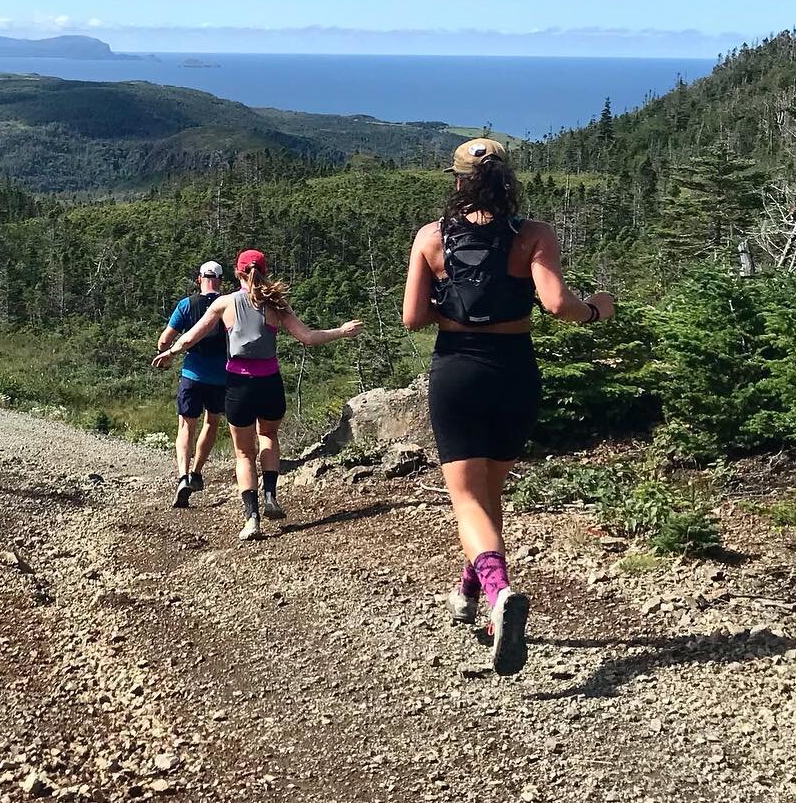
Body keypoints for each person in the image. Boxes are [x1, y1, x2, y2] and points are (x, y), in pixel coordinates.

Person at [403, 137, 616, 676]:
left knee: (466, 500)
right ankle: (471, 591)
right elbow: (557, 305)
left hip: (457, 369)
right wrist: (597, 309)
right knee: (489, 493)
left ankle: (497, 593)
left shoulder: (431, 237)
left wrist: (445, 301)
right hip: (515, 371)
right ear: (507, 180)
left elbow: (411, 319)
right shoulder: (534, 234)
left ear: (457, 180)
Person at [153, 249, 363, 541]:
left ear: (238, 274)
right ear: (264, 271)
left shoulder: (224, 303)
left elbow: (191, 336)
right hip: (270, 383)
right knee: (269, 437)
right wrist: (342, 331)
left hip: (238, 385)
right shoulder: (277, 305)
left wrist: (171, 352)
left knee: (244, 453)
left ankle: (252, 519)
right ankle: (270, 496)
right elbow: (309, 338)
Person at [157, 260, 229, 509]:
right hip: (221, 376)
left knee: (186, 426)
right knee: (212, 421)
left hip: (192, 375)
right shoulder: (227, 305)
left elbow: (165, 340)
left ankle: (182, 476)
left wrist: (165, 351)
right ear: (220, 281)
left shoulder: (186, 305)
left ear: (199, 279)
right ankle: (197, 471)